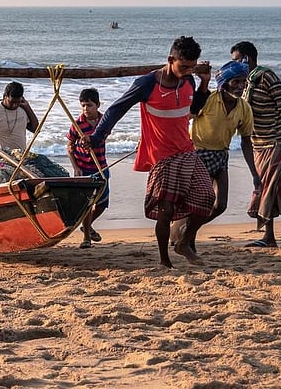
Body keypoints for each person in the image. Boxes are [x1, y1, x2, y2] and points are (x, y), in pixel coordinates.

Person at [86, 36, 213, 268]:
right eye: (184, 67)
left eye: (192, 67)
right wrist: (97, 136)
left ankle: (184, 243)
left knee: (207, 197)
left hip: (187, 151)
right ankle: (165, 261)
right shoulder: (147, 84)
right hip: (161, 155)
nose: (188, 72)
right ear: (170, 60)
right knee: (166, 210)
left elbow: (194, 109)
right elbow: (117, 109)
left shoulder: (189, 81)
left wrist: (204, 84)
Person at [170, 60, 258, 252]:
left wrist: (254, 173)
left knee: (220, 205)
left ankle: (186, 231)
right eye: (235, 82)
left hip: (221, 156)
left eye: (243, 82)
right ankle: (187, 241)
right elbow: (184, 117)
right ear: (225, 83)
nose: (240, 86)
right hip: (198, 154)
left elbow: (246, 142)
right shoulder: (208, 99)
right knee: (199, 203)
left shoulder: (244, 108)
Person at [231, 41, 281, 249]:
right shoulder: (244, 82)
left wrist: (267, 118)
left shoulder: (267, 76)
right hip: (257, 143)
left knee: (275, 186)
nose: (235, 65)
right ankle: (269, 236)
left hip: (275, 140)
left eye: (237, 60)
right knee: (267, 187)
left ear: (247, 58)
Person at [66, 88, 110, 249]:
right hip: (84, 168)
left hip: (101, 166)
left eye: (89, 105)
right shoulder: (77, 124)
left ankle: (88, 225)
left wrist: (92, 140)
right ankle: (86, 238)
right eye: (83, 105)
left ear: (97, 105)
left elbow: (104, 135)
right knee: (86, 204)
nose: (86, 109)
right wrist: (75, 167)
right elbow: (69, 146)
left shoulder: (104, 121)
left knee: (102, 203)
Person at [0, 81, 39, 152]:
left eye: (17, 102)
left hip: (21, 154)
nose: (14, 105)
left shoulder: (23, 109)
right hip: (1, 156)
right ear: (5, 96)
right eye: (12, 102)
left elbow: (35, 129)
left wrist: (28, 107)